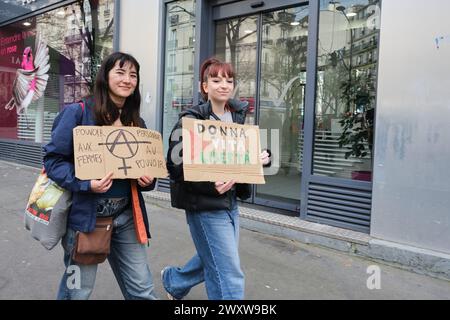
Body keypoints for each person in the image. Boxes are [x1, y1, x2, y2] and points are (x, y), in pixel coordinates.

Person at [43, 52, 158, 300]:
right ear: (105, 77)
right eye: (120, 72)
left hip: (126, 217)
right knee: (77, 291)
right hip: (85, 220)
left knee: (143, 289)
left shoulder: (138, 123)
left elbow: (146, 169)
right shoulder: (77, 112)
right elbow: (53, 161)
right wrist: (86, 183)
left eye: (133, 75)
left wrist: (147, 180)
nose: (127, 79)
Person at [162, 57, 271, 300]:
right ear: (205, 87)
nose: (224, 85)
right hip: (204, 206)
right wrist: (211, 187)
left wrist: (264, 157)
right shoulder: (191, 119)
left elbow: (246, 155)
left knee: (212, 256)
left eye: (229, 80)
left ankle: (174, 281)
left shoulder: (238, 116)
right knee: (229, 271)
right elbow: (175, 166)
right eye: (216, 79)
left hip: (231, 203)